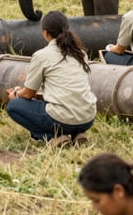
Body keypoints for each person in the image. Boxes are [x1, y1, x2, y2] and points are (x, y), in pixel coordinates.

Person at [5, 11, 96, 145]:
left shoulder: (41, 55)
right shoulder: (80, 53)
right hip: (88, 118)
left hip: (61, 119)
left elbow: (29, 93)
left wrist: (17, 94)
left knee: (14, 106)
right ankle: (78, 134)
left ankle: (52, 137)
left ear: (45, 33)